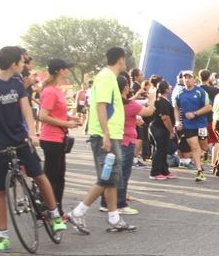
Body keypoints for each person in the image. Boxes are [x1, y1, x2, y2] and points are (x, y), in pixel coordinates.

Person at [0, 46, 68, 251]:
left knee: (40, 176)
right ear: (14, 63)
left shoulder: (17, 83)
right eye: (22, 62)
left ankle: (54, 214)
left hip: (20, 140)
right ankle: (2, 236)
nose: (24, 65)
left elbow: (26, 111)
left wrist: (32, 134)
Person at [65, 46, 136, 233]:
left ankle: (114, 218)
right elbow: (102, 106)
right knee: (106, 178)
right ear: (120, 59)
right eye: (125, 59)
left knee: (111, 178)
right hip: (107, 135)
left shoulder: (108, 77)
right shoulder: (106, 77)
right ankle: (78, 212)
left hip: (111, 134)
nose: (125, 62)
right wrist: (106, 134)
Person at [103, 74, 154, 213]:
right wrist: (152, 99)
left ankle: (105, 202)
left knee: (110, 172)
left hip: (113, 139)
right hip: (125, 141)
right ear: (125, 87)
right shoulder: (128, 104)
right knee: (122, 174)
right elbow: (149, 111)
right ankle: (120, 204)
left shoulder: (111, 102)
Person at [38, 58, 80, 213]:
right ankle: (50, 208)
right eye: (65, 68)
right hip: (51, 138)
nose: (67, 71)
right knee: (53, 177)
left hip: (58, 137)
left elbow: (56, 113)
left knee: (58, 176)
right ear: (59, 71)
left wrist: (69, 117)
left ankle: (55, 207)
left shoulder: (56, 90)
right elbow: (43, 116)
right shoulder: (50, 91)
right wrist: (66, 124)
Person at [174, 71, 212, 183]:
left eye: (189, 77)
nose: (187, 80)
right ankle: (199, 171)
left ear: (194, 79)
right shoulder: (180, 93)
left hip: (201, 124)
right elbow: (176, 107)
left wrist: (195, 114)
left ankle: (205, 154)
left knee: (204, 146)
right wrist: (177, 121)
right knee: (194, 147)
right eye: (185, 78)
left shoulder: (201, 92)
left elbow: (209, 107)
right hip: (188, 125)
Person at [149, 81, 176, 180]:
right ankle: (155, 172)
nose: (171, 86)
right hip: (159, 128)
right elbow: (165, 117)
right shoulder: (161, 101)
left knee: (164, 149)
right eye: (169, 86)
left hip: (162, 128)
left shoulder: (164, 100)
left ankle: (164, 171)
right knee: (160, 149)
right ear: (166, 89)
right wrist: (171, 131)